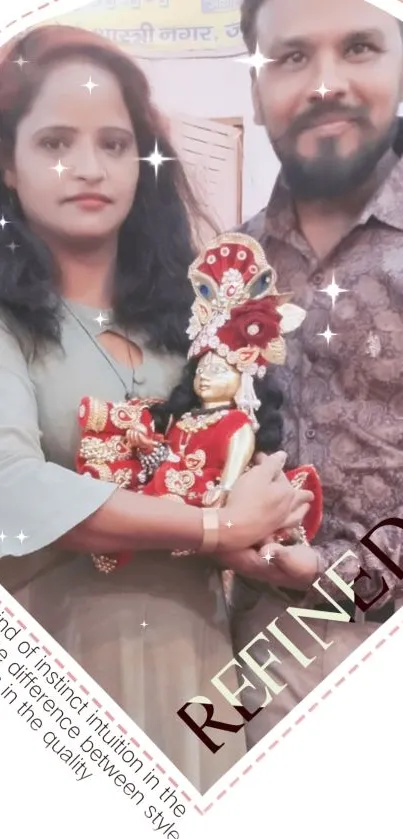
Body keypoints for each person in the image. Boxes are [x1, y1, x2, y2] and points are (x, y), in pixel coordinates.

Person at [0, 24, 313, 791]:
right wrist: (213, 526)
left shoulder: (191, 325)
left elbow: (240, 470)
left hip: (200, 669)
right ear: (8, 164)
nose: (89, 168)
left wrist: (271, 550)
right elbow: (11, 488)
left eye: (115, 142)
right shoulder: (8, 324)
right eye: (55, 143)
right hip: (55, 683)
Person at [231, 0, 403, 747]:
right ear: (254, 85)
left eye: (360, 47)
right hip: (250, 657)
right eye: (291, 57)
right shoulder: (230, 265)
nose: (324, 83)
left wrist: (335, 574)